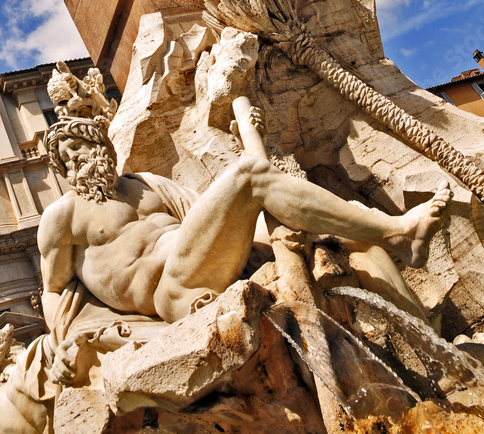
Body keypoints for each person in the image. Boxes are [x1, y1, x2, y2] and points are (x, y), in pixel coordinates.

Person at [38, 105, 451, 330]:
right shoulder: (62, 218)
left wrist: (251, 142)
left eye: (81, 145)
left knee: (342, 235)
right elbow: (54, 292)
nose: (76, 157)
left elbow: (213, 211)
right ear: (62, 170)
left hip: (202, 256)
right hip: (170, 290)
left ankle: (434, 350)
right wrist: (78, 340)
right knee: (248, 175)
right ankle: (397, 232)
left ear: (103, 149)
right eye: (66, 157)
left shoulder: (143, 182)